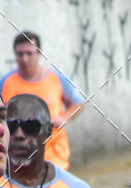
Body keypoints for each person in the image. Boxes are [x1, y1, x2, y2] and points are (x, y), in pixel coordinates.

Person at [0, 31, 85, 171]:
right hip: (19, 159)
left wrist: (64, 117)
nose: (24, 59)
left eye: (29, 53)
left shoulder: (56, 78)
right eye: (20, 54)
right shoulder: (5, 82)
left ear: (39, 53)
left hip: (54, 158)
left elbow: (79, 104)